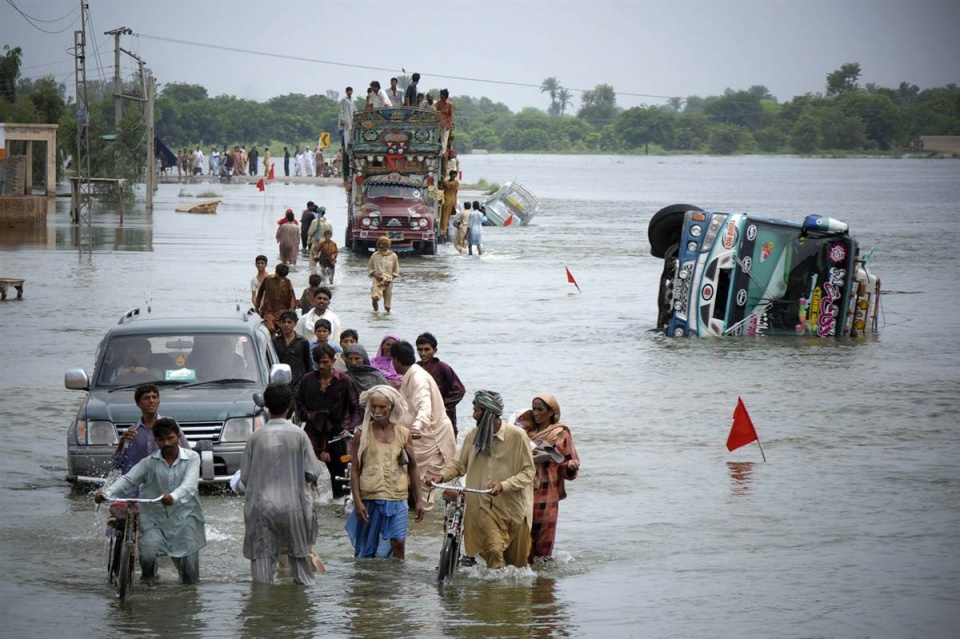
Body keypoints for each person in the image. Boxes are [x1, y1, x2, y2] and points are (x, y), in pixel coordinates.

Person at [424, 390, 534, 569]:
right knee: (494, 551)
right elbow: (459, 465)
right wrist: (441, 475)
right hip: (483, 506)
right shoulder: (473, 436)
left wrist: (503, 485)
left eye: (476, 411)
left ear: (489, 413)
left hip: (512, 507)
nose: (473, 415)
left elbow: (528, 472)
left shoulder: (517, 436)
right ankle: (491, 594)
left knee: (517, 566)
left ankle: (508, 596)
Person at [95, 417, 206, 584]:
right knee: (147, 557)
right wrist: (106, 493)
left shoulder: (192, 458)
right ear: (156, 441)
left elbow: (189, 486)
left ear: (178, 436)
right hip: (154, 518)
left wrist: (173, 497)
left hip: (185, 519)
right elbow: (128, 480)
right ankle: (149, 583)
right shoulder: (149, 462)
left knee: (189, 577)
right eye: (162, 440)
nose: (167, 443)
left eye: (170, 438)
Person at [240, 383, 323, 585]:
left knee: (261, 576)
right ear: (290, 405)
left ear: (266, 406)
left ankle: (264, 615)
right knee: (302, 571)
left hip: (260, 509)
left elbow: (244, 478)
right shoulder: (299, 435)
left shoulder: (255, 437)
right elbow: (313, 471)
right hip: (293, 508)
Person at [346, 385, 423, 558]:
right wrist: (357, 502)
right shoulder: (361, 434)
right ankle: (371, 583)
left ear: (391, 408)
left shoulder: (403, 434)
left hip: (397, 496)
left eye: (382, 407)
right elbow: (355, 470)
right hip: (370, 496)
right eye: (374, 406)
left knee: (399, 542)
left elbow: (413, 467)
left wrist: (419, 500)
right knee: (368, 549)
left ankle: (396, 580)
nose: (377, 411)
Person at [390, 340, 457, 509]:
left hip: (431, 438)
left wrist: (416, 427)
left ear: (396, 360)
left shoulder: (418, 378)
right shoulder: (412, 375)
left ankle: (423, 525)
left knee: (424, 485)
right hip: (420, 438)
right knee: (411, 483)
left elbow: (424, 406)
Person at [296, 344, 362, 498]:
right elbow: (298, 402)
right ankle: (312, 504)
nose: (321, 366)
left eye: (325, 362)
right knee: (306, 473)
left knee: (339, 475)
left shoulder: (345, 381)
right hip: (313, 431)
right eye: (318, 362)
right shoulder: (307, 380)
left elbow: (357, 407)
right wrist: (308, 414)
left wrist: (351, 429)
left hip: (337, 432)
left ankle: (340, 505)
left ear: (333, 361)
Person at [524, 393, 580, 562]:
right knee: (522, 542)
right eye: (533, 409)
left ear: (552, 412)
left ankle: (543, 585)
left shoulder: (560, 434)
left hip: (547, 495)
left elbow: (567, 463)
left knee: (543, 547)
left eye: (540, 409)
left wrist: (570, 467)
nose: (536, 413)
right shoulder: (526, 431)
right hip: (523, 491)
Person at [113, 384, 190, 476]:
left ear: (159, 401)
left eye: (154, 397)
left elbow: (187, 455)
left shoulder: (170, 425)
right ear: (138, 403)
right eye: (146, 398)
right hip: (138, 484)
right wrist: (121, 444)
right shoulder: (132, 432)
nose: (151, 401)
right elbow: (116, 465)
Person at [415, 332, 466, 437]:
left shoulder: (442, 367)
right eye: (420, 350)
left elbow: (459, 390)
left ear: (435, 350)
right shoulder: (416, 368)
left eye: (427, 349)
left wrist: (443, 406)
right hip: (422, 415)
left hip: (443, 417)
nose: (423, 353)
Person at [272, 310, 312, 391]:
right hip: (280, 381)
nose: (286, 325)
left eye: (289, 322)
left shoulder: (302, 342)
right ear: (279, 324)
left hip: (298, 383)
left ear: (295, 323)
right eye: (284, 322)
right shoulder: (275, 341)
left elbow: (308, 364)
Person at [256, 263, 297, 334]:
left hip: (282, 312)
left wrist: (291, 311)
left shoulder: (287, 282)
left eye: (283, 277)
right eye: (279, 276)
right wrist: (257, 307)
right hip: (268, 312)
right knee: (271, 329)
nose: (281, 279)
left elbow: (292, 298)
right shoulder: (268, 279)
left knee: (286, 331)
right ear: (276, 272)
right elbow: (260, 293)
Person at [367, 236, 399, 313]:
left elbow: (396, 270)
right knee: (375, 298)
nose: (381, 246)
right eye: (380, 244)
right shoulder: (375, 255)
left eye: (383, 244)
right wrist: (376, 276)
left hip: (388, 281)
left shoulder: (393, 256)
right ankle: (375, 313)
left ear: (388, 245)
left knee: (387, 306)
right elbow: (369, 268)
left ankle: (386, 317)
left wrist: (390, 279)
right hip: (377, 281)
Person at [440, 170, 459, 240]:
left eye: (455, 175)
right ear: (450, 175)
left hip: (451, 201)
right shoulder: (447, 182)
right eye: (453, 175)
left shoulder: (456, 182)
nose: (454, 176)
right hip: (446, 200)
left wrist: (444, 181)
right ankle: (444, 231)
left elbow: (448, 185)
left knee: (447, 216)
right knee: (445, 216)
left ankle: (444, 231)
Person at [436, 89, 455, 155]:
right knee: (436, 138)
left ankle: (442, 154)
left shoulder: (450, 104)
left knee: (444, 139)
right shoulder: (438, 103)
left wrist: (450, 124)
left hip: (446, 124)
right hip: (438, 124)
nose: (440, 96)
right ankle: (436, 151)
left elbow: (452, 115)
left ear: (444, 96)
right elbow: (435, 111)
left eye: (441, 95)